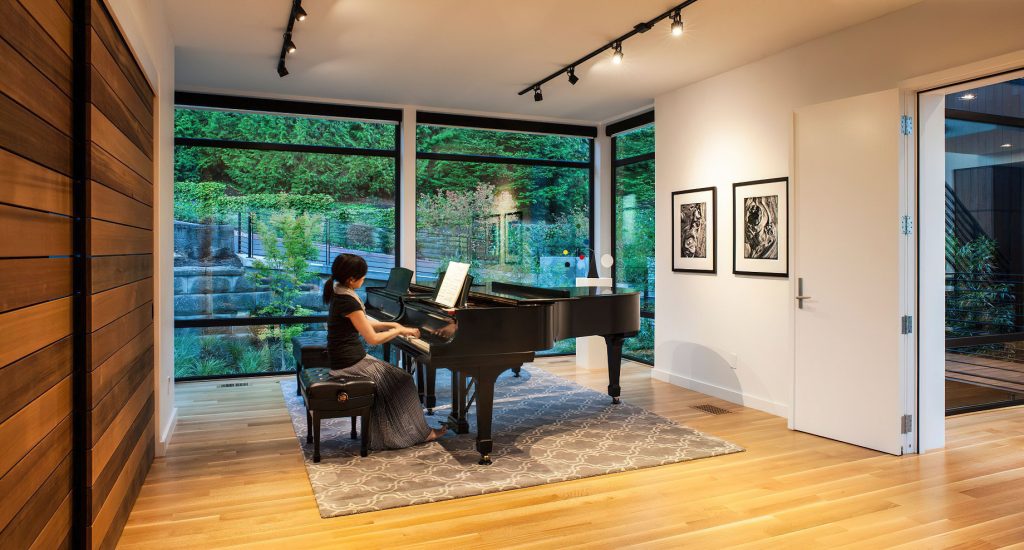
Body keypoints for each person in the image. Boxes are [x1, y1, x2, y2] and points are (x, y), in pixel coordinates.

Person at [321, 253, 446, 449]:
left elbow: (364, 323)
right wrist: (398, 330)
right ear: (351, 279)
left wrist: (396, 326)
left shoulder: (339, 291)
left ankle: (388, 432)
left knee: (394, 380)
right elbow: (372, 338)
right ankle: (421, 433)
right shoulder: (348, 301)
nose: (364, 280)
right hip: (349, 363)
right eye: (363, 277)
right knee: (404, 379)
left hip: (344, 358)